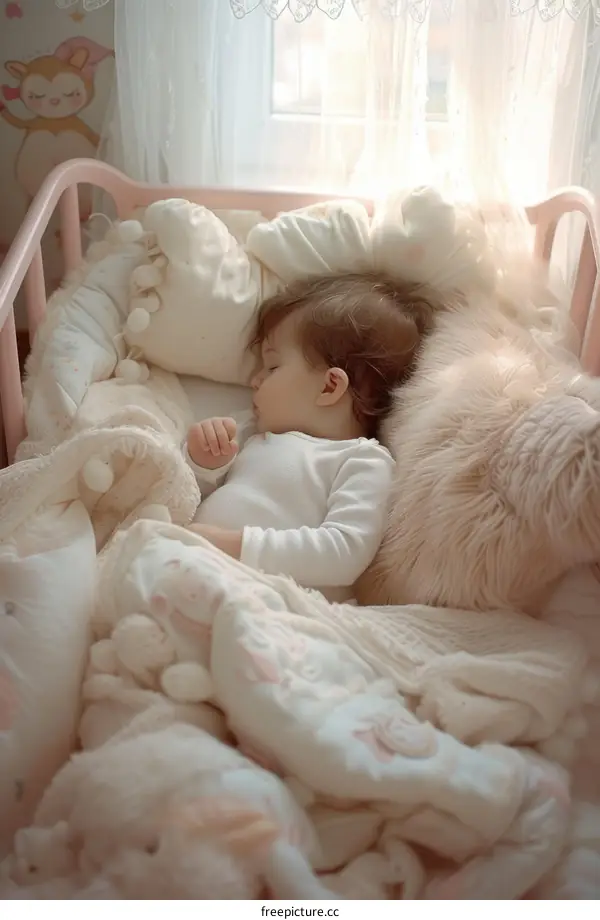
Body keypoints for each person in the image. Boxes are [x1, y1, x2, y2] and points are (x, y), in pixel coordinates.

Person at [185, 272, 436, 600]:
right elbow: (187, 497)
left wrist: (235, 546)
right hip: (199, 573)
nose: (255, 380)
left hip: (278, 600)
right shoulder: (250, 436)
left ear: (330, 386)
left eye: (272, 367)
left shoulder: (361, 461)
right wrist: (203, 465)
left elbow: (344, 553)